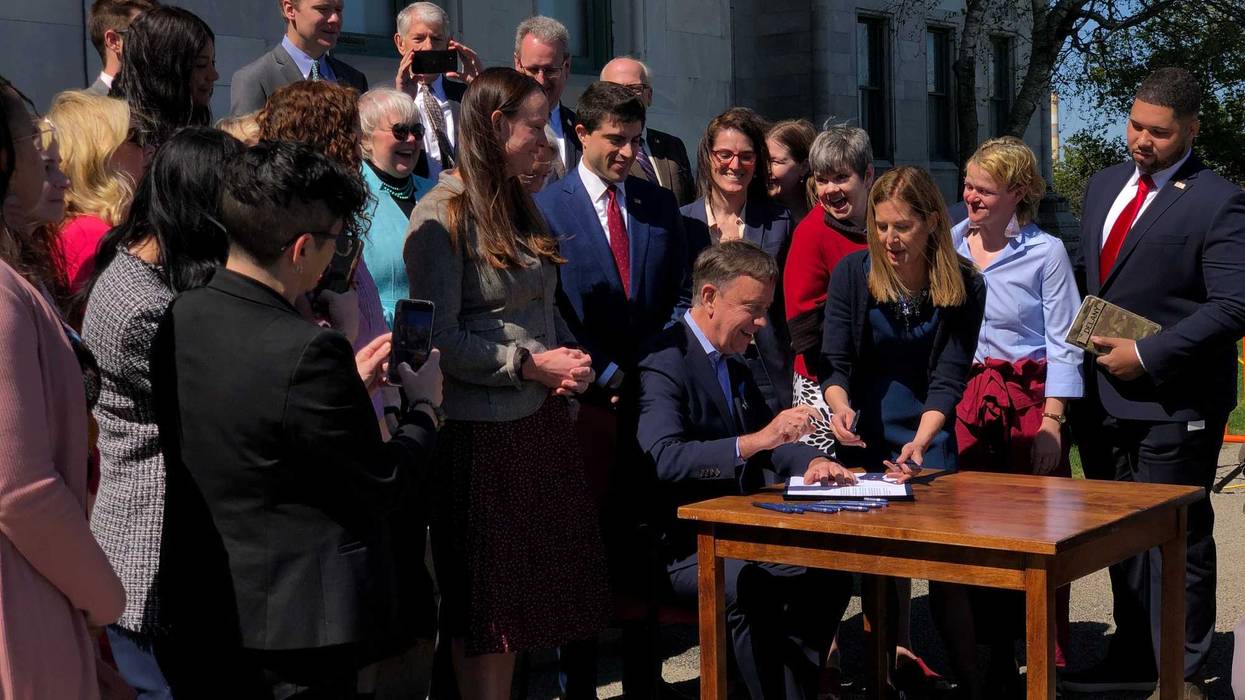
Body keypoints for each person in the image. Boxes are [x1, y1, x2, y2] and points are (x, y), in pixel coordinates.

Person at [153, 140, 443, 697]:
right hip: (296, 631)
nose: (340, 257)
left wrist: (345, 388)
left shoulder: (182, 313)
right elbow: (382, 480)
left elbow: (261, 425)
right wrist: (425, 408)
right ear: (303, 248)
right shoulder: (309, 350)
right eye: (338, 242)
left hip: (204, 606)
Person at [404, 67, 608, 700]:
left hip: (537, 425)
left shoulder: (518, 202)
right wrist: (528, 364)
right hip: (482, 439)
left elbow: (539, 306)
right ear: (496, 126)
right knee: (487, 618)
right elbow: (437, 339)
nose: (545, 140)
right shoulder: (441, 215)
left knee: (522, 615)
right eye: (535, 127)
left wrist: (567, 361)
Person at [1061, 68, 1245, 699]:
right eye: (1135, 125)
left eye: (1159, 132)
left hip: (1175, 402)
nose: (1142, 140)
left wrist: (1148, 353)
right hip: (1100, 400)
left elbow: (1233, 305)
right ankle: (1134, 655)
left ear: (1192, 129)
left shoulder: (1219, 200)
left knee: (1176, 538)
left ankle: (1179, 671)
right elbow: (1088, 277)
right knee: (1119, 536)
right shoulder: (1103, 184)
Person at [637, 240, 856, 699]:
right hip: (678, 543)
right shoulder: (663, 361)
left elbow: (772, 443)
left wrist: (815, 461)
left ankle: (792, 691)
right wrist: (754, 441)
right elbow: (665, 458)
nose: (761, 323)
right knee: (748, 587)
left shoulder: (735, 359)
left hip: (738, 529)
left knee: (830, 573)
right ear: (710, 297)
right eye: (752, 309)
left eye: (765, 311)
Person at [533, 79, 690, 697]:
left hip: (651, 401)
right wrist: (604, 373)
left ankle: (645, 681)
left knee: (644, 546)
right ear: (581, 134)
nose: (627, 152)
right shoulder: (548, 207)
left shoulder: (657, 203)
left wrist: (651, 371)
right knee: (582, 550)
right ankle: (577, 684)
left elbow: (680, 294)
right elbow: (551, 308)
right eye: (615, 140)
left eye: (635, 140)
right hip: (584, 405)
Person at [81, 126, 244, 700]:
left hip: (167, 546)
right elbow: (222, 404)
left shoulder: (145, 274)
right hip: (150, 545)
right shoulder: (143, 307)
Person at [939, 136, 1082, 697]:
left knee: (1036, 536)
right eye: (968, 184)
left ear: (1018, 192)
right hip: (968, 403)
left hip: (1027, 407)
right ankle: (992, 655)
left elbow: (1065, 341)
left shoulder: (1046, 252)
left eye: (984, 189)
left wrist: (1052, 423)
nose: (970, 196)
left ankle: (1044, 659)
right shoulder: (950, 244)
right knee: (976, 533)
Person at [0, 73, 127, 700]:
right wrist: (103, 596)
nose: (48, 156)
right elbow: (20, 489)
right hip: (22, 604)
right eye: (32, 141)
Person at [258, 80, 390, 362]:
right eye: (353, 138)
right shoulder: (298, 242)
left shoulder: (336, 223)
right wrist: (345, 331)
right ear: (333, 145)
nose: (359, 152)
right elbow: (306, 356)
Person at [683, 107, 794, 416]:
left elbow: (788, 302)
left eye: (746, 156)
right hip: (706, 363)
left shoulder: (779, 221)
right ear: (708, 157)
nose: (735, 165)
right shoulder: (682, 222)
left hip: (765, 368)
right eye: (725, 154)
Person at [783, 124, 875, 453]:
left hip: (879, 382)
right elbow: (803, 328)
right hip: (822, 382)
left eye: (841, 178)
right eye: (822, 180)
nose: (830, 189)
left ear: (868, 175)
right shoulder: (811, 233)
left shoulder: (886, 223)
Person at [46, 91, 146, 295]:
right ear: (100, 155)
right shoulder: (91, 237)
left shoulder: (82, 228)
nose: (149, 148)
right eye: (135, 137)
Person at [358, 88, 435, 326]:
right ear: (365, 138)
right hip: (379, 335)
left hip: (443, 335)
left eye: (417, 131)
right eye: (399, 131)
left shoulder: (437, 193)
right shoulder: (350, 197)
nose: (411, 139)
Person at [230, 0, 368, 116]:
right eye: (323, 9)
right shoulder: (255, 79)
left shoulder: (354, 79)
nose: (335, 19)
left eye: (338, 10)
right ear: (290, 10)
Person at [393, 1, 481, 180]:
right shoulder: (385, 99)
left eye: (437, 39)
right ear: (401, 43)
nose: (429, 47)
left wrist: (481, 87)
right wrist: (402, 101)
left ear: (449, 43)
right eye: (419, 39)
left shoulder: (466, 95)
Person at [110, 5, 217, 148]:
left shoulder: (199, 135)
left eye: (213, 63)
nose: (214, 75)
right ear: (163, 69)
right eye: (201, 64)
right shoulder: (119, 142)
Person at [599, 56, 695, 206]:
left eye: (634, 89)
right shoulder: (599, 150)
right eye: (616, 90)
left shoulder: (673, 146)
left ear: (649, 96)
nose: (625, 97)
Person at [514, 16, 579, 179]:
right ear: (518, 64)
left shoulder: (582, 129)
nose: (541, 80)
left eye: (550, 70)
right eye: (533, 70)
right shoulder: (504, 128)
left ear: (566, 67)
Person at [86, 0, 158, 95]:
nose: (158, 42)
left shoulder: (165, 98)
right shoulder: (81, 103)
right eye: (146, 34)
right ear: (113, 41)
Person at [766, 119, 816, 223]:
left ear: (804, 167)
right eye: (763, 160)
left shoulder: (827, 212)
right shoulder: (755, 213)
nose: (767, 169)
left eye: (776, 162)